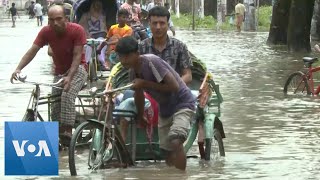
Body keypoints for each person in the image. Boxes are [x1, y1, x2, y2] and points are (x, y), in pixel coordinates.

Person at [10, 4, 88, 145]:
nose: (55, 23)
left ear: (66, 18)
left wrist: (69, 77)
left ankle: (67, 132)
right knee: (54, 103)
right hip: (59, 72)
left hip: (78, 69)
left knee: (67, 94)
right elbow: (32, 51)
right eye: (51, 20)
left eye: (58, 19)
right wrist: (18, 69)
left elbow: (77, 56)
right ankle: (56, 137)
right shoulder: (46, 32)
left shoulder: (77, 30)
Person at [116, 36, 196, 170]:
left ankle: (182, 176)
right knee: (166, 151)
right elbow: (139, 95)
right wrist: (141, 115)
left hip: (182, 103)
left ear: (136, 54)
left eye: (127, 56)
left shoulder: (151, 62)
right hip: (165, 109)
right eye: (121, 57)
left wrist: (145, 83)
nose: (123, 61)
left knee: (176, 141)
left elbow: (174, 87)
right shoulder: (133, 73)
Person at [139, 6, 192, 84]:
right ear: (149, 24)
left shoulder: (180, 46)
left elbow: (188, 75)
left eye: (162, 23)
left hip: (174, 91)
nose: (158, 27)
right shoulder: (141, 47)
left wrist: (173, 86)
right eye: (155, 23)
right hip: (149, 91)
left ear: (168, 24)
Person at [78, 0, 108, 70]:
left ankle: (101, 62)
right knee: (89, 45)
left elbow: (104, 29)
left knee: (102, 42)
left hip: (100, 37)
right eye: (95, 6)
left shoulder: (103, 16)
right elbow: (81, 27)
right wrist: (87, 35)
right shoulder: (85, 15)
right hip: (88, 37)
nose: (97, 8)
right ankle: (87, 63)